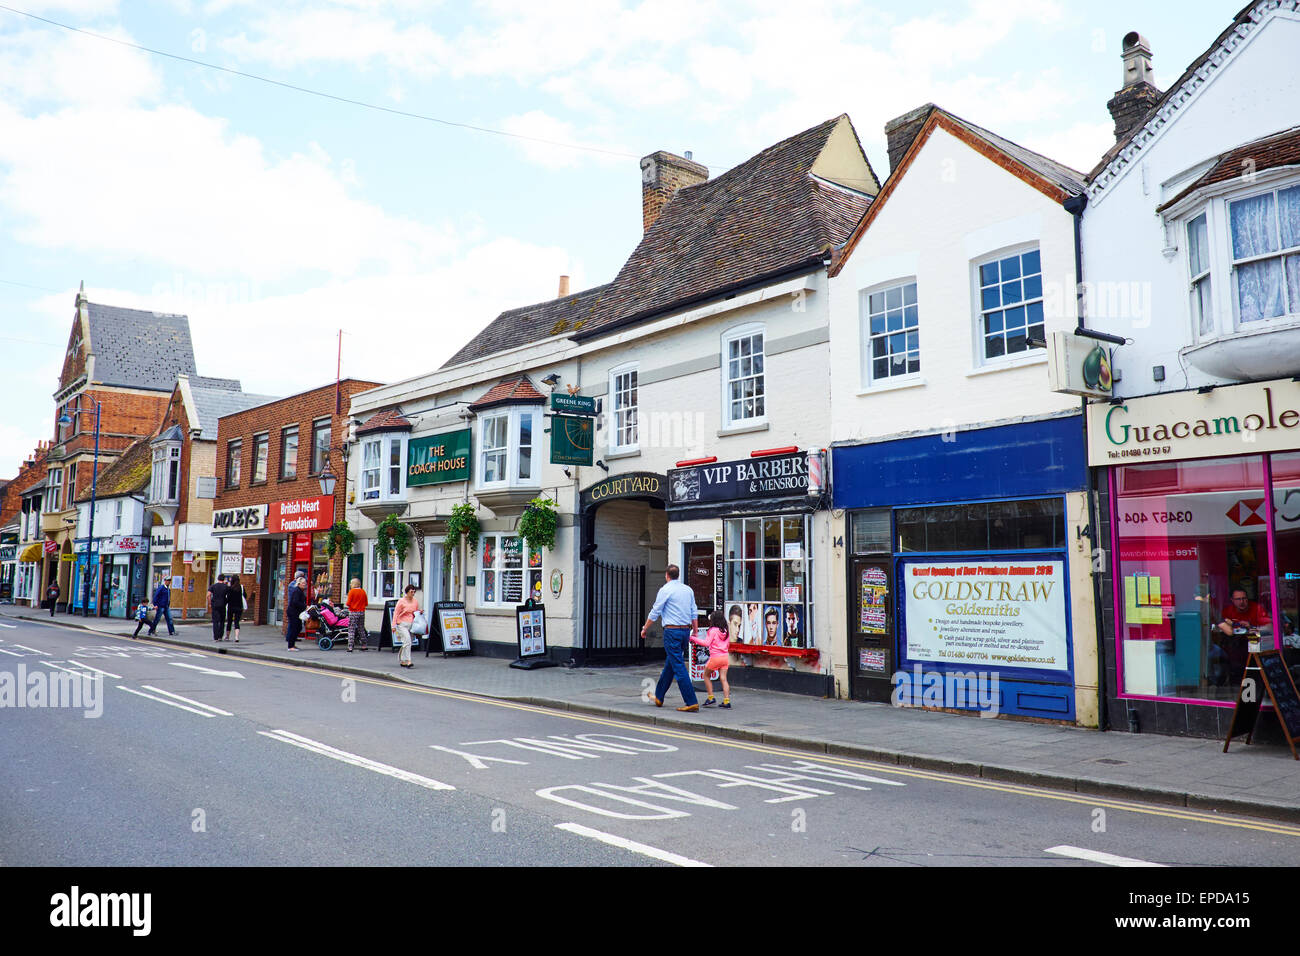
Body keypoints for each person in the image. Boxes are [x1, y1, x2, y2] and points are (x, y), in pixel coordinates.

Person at [642, 565, 700, 712]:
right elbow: (694, 611)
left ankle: (691, 701)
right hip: (685, 631)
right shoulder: (688, 590)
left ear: (667, 575)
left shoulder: (665, 590)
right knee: (671, 664)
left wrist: (645, 628)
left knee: (678, 666)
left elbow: (656, 611)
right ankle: (659, 697)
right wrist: (696, 630)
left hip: (672, 632)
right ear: (678, 575)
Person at [1210, 588, 1272, 686]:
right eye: (1238, 599)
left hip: (1255, 647)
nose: (1242, 602)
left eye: (1244, 599)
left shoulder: (1256, 608)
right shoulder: (1227, 611)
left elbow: (1270, 628)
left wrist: (1252, 627)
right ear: (1232, 600)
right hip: (1234, 649)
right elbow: (1219, 627)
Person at [690, 609, 732, 709]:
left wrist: (693, 639)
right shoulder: (725, 630)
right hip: (725, 657)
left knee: (706, 675)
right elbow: (728, 644)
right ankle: (727, 701)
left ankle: (710, 697)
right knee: (723, 679)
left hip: (715, 658)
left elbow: (706, 643)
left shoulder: (712, 630)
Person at [392, 584, 419, 668]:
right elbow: (396, 613)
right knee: (408, 642)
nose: (413, 593)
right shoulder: (401, 601)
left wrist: (419, 612)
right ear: (407, 592)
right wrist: (393, 625)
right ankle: (409, 661)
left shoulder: (415, 601)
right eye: (411, 592)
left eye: (414, 592)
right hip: (402, 624)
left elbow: (415, 612)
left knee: (406, 643)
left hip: (411, 624)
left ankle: (402, 660)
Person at [285, 574, 307, 651]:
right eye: (303, 583)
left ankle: (292, 644)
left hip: (296, 612)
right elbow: (295, 602)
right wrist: (304, 606)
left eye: (305, 583)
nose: (305, 584)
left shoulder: (299, 591)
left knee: (298, 627)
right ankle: (290, 646)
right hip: (293, 612)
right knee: (294, 628)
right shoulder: (297, 591)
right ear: (299, 583)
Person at [346, 577, 368, 652]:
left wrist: (352, 606)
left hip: (353, 612)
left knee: (351, 629)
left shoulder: (351, 592)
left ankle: (350, 646)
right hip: (362, 612)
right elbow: (366, 603)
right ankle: (364, 645)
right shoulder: (363, 592)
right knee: (361, 628)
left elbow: (348, 603)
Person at [224, 574, 244, 643]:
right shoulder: (241, 587)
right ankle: (236, 637)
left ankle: (227, 636)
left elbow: (228, 598)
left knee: (229, 621)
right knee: (236, 622)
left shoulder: (230, 588)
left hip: (231, 607)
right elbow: (245, 595)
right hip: (239, 607)